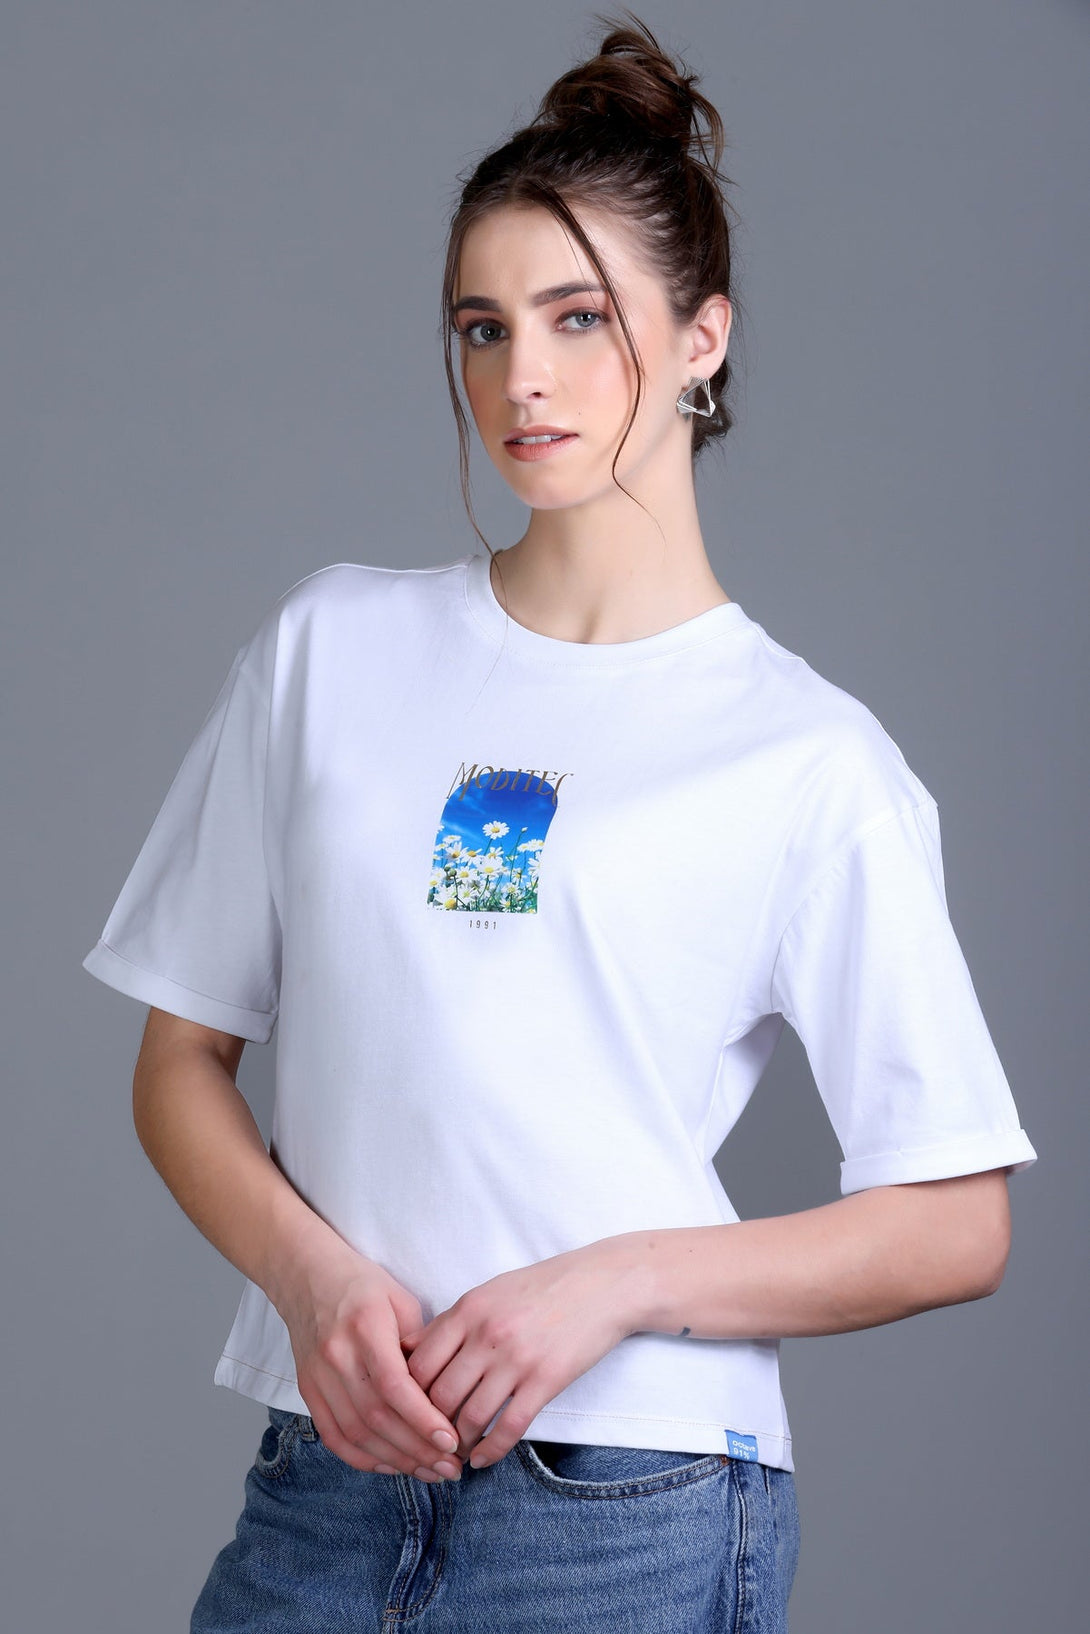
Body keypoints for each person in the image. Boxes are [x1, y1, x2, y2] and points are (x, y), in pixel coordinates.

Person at [81, 13, 1037, 1631]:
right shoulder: (330, 649)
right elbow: (180, 1060)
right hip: (327, 1474)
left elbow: (954, 1221)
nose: (518, 376)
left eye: (577, 318)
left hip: (630, 1498)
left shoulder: (806, 759)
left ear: (702, 338)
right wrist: (314, 1282)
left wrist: (614, 1281)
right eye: (482, 325)